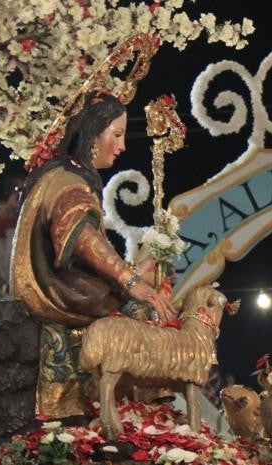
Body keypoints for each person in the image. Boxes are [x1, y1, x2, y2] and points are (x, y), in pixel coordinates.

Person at [10, 92, 175, 421]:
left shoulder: (68, 175)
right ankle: (137, 411)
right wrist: (128, 280)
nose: (123, 146)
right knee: (143, 310)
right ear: (91, 134)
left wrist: (138, 269)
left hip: (71, 282)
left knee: (155, 284)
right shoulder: (68, 181)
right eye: (116, 135)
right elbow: (81, 238)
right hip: (60, 292)